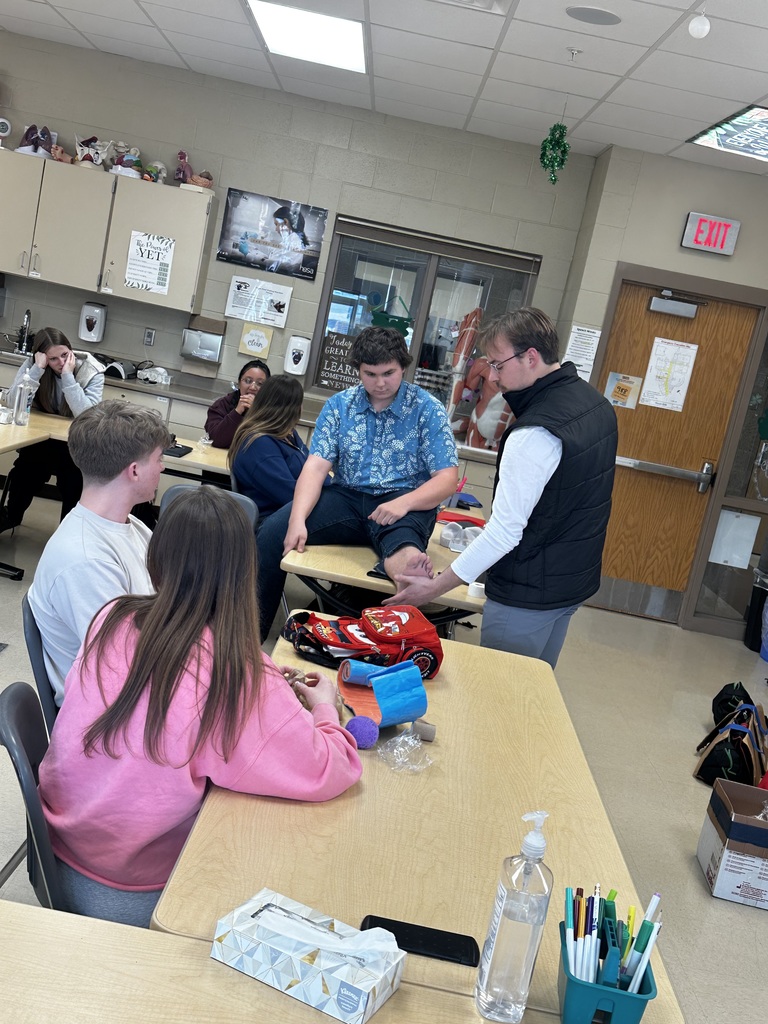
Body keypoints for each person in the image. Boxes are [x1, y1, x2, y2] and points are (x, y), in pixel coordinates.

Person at [38, 487, 362, 928]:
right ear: (244, 574)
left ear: (157, 558)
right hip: (129, 889)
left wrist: (264, 679)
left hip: (55, 849)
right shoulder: (237, 676)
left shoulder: (111, 617)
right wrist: (325, 709)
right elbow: (331, 768)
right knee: (304, 873)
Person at [388, 308, 618, 670]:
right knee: (531, 691)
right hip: (572, 582)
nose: (492, 378)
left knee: (497, 700)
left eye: (498, 365)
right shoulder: (596, 404)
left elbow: (505, 533)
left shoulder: (535, 432)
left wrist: (432, 589)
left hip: (527, 595)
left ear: (530, 357)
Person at [256, 326, 459, 641]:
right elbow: (315, 467)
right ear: (358, 371)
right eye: (370, 374)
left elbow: (447, 480)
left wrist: (402, 503)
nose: (380, 383)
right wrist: (296, 520)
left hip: (405, 500)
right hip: (347, 498)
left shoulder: (427, 409)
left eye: (388, 373)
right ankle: (251, 635)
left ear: (403, 367)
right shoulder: (339, 406)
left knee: (401, 547)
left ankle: (408, 570)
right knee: (271, 533)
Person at [27, 400, 172, 706]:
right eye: (159, 458)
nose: (163, 466)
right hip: (111, 720)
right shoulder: (84, 560)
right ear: (134, 471)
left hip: (140, 692)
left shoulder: (133, 526)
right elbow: (128, 668)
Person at [0, 328, 104, 532]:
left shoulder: (91, 370)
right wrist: (37, 370)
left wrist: (68, 377)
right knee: (25, 472)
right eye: (53, 359)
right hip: (41, 439)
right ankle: (11, 517)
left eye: (65, 355)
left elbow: (86, 415)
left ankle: (68, 533)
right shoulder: (34, 364)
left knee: (73, 482)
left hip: (73, 443)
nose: (61, 363)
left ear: (71, 350)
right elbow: (13, 402)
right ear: (42, 357)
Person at [229, 374, 315, 520]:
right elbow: (290, 495)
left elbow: (312, 468)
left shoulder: (288, 434)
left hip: (293, 515)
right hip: (274, 523)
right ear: (291, 409)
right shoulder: (258, 444)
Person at [204, 359, 270, 448]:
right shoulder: (223, 404)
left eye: (260, 383)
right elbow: (216, 440)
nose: (253, 387)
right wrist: (237, 412)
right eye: (247, 381)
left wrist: (256, 412)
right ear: (239, 383)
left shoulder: (272, 411)